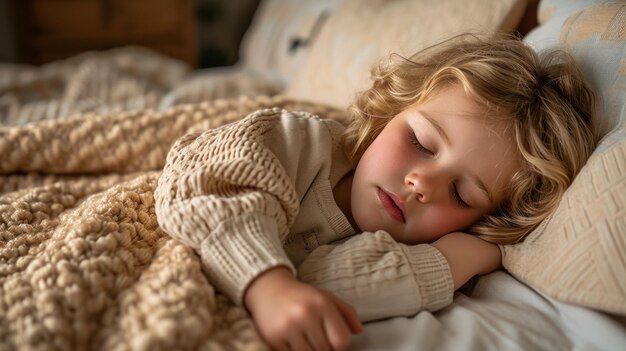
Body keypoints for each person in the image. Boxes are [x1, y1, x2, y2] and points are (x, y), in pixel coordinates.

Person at [154, 33, 596, 351]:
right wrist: (266, 284)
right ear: (392, 112)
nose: (422, 184)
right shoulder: (297, 144)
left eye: (462, 195)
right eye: (420, 143)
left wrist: (449, 262)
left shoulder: (398, 249)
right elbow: (202, 184)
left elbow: (318, 290)